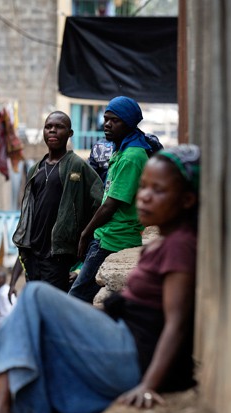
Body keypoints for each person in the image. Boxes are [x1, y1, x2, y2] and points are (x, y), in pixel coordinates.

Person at [0, 145, 200, 413]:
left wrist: (148, 384)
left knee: (35, 295)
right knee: (29, 321)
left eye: (159, 190)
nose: (145, 196)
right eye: (144, 186)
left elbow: (176, 324)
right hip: (122, 345)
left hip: (132, 358)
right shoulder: (163, 244)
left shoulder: (179, 247)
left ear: (187, 200)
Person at [10, 111, 103, 295]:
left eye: (59, 127)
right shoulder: (36, 169)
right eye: (48, 127)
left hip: (59, 257)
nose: (52, 131)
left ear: (70, 133)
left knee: (52, 307)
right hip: (34, 254)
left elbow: (101, 202)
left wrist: (84, 235)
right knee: (36, 308)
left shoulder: (77, 165)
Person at [69, 96, 151, 303]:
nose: (107, 124)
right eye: (106, 119)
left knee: (76, 298)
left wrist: (85, 234)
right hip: (107, 235)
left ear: (129, 123)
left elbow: (111, 204)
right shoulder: (121, 150)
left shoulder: (132, 156)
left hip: (114, 238)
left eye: (115, 120)